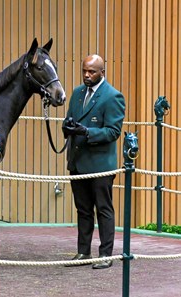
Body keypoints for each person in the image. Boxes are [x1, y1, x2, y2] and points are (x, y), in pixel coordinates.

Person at [62, 54, 125, 269]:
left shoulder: (113, 96)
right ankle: (83, 252)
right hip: (78, 162)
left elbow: (113, 132)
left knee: (104, 209)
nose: (87, 75)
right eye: (84, 71)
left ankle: (105, 254)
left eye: (91, 72)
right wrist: (67, 128)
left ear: (102, 73)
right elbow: (70, 119)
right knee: (83, 209)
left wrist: (87, 132)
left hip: (100, 165)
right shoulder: (77, 93)